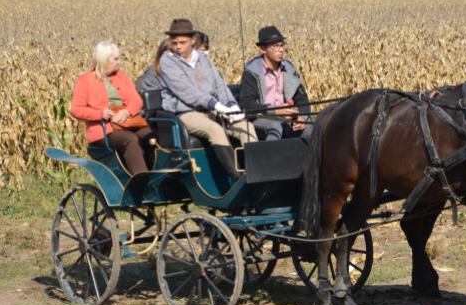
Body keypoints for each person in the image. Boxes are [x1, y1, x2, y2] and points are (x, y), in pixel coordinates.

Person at [159, 18, 256, 182]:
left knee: (246, 127)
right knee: (215, 130)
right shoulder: (167, 61)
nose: (178, 47)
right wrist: (218, 106)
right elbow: (187, 92)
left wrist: (231, 105)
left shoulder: (203, 59)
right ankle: (237, 179)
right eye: (174, 43)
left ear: (193, 40)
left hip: (212, 110)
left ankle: (255, 173)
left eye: (182, 42)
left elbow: (220, 85)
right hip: (185, 112)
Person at [70, 41, 153, 175]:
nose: (119, 62)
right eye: (115, 59)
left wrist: (127, 111)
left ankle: (157, 175)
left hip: (128, 123)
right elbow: (76, 109)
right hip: (103, 130)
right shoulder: (85, 79)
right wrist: (99, 113)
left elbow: (136, 100)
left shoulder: (122, 76)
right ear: (104, 60)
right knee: (131, 139)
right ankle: (141, 182)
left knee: (152, 134)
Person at [239, 26, 312, 140]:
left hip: (287, 121)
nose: (281, 49)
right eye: (275, 46)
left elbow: (303, 100)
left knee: (312, 129)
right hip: (260, 121)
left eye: (282, 44)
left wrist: (302, 118)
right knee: (275, 127)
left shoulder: (290, 69)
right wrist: (275, 111)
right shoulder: (251, 72)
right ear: (263, 49)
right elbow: (247, 104)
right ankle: (271, 158)